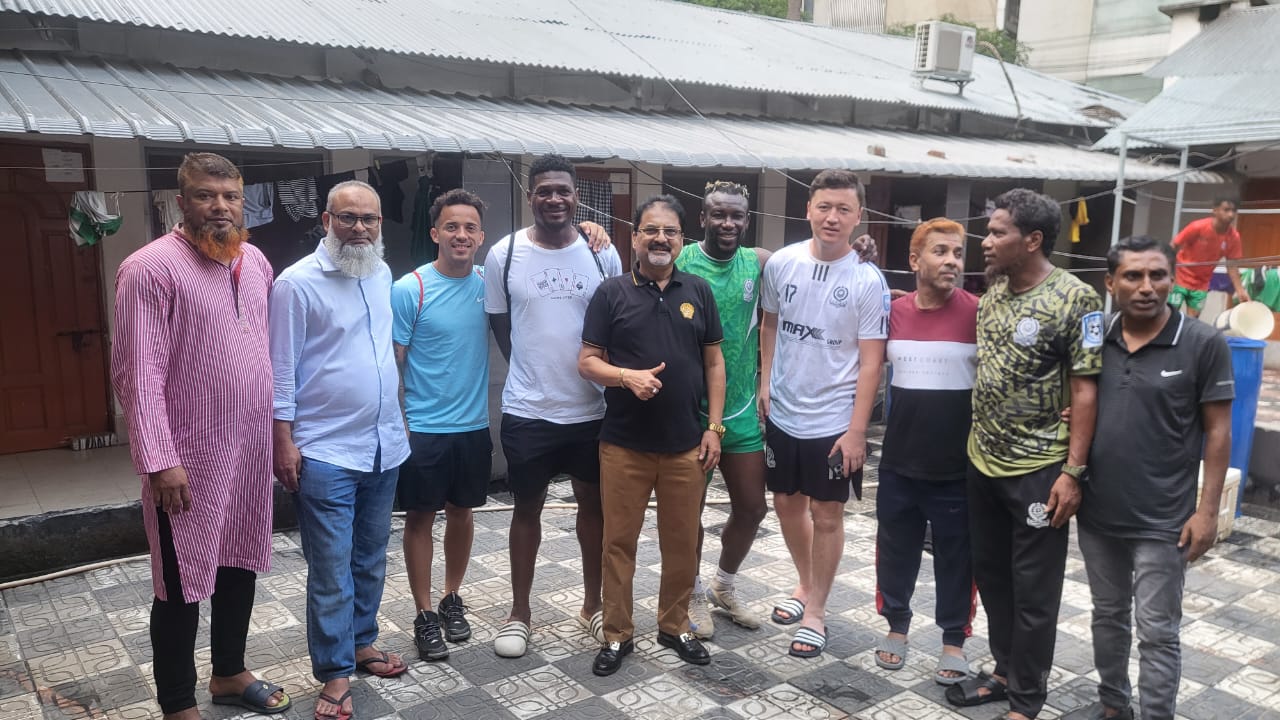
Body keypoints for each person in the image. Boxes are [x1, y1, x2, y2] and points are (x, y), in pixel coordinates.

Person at [111, 152, 289, 720]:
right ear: (180, 201)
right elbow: (138, 373)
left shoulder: (255, 262)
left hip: (248, 452)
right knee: (180, 580)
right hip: (186, 460)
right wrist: (159, 459)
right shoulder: (149, 268)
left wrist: (279, 437)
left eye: (230, 196)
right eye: (205, 195)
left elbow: (265, 353)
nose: (220, 207)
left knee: (239, 561)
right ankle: (177, 703)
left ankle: (229, 673)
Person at [947, 189, 1102, 720]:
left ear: (1032, 239)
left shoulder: (1076, 298)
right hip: (983, 461)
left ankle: (1027, 700)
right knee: (992, 577)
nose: (985, 241)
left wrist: (1073, 471)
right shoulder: (994, 291)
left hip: (1039, 469)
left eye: (998, 232)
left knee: (1034, 591)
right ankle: (1004, 671)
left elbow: (1085, 388)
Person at [1067, 236, 1233, 720]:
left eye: (1157, 275)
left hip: (1165, 521)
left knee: (1157, 630)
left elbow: (1219, 431)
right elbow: (1083, 399)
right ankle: (1113, 705)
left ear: (1172, 279)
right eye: (1133, 276)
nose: (1146, 287)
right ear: (1110, 283)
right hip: (1098, 512)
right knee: (1107, 615)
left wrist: (1207, 512)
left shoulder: (1202, 342)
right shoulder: (1097, 336)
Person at [270, 180, 411, 720]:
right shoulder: (296, 284)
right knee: (331, 568)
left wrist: (398, 418)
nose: (359, 228)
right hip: (325, 450)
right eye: (348, 218)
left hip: (382, 445)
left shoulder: (380, 273)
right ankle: (333, 672)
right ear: (326, 221)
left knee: (370, 557)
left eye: (369, 219)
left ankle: (361, 642)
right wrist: (283, 441)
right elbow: (281, 370)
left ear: (379, 224)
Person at [578, 194, 727, 675]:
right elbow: (587, 362)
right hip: (624, 446)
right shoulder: (612, 293)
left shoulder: (699, 291)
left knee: (682, 543)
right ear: (635, 237)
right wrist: (627, 377)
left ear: (682, 239)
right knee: (618, 544)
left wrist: (714, 427)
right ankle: (617, 634)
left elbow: (714, 362)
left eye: (670, 231)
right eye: (651, 230)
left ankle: (674, 625)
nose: (661, 239)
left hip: (687, 446)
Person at [483, 154, 623, 658]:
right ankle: (519, 613)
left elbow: (616, 323)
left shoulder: (602, 253)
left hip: (592, 410)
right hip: (529, 410)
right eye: (544, 191)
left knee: (594, 508)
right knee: (526, 509)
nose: (554, 199)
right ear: (530, 197)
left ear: (577, 196)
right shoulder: (504, 254)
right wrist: (534, 370)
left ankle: (593, 605)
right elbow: (503, 327)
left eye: (563, 190)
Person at [759, 169, 890, 659]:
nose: (832, 217)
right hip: (784, 410)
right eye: (824, 207)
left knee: (827, 513)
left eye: (843, 209)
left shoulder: (867, 280)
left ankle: (816, 611)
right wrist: (765, 380)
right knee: (786, 503)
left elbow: (872, 362)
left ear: (859, 217)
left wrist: (857, 431)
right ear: (808, 210)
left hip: (834, 420)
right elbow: (770, 324)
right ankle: (805, 582)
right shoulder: (783, 263)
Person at [874, 218, 978, 685]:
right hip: (900, 460)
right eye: (940, 251)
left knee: (958, 555)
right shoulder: (893, 313)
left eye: (957, 252)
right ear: (915, 260)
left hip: (959, 465)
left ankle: (953, 640)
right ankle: (896, 626)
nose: (952, 261)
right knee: (896, 549)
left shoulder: (978, 313)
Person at [391, 189, 490, 662]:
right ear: (435, 233)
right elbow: (393, 362)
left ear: (481, 237)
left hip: (473, 425)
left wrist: (591, 233)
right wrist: (399, 423)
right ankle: (424, 613)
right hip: (424, 428)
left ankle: (452, 597)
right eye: (452, 226)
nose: (461, 235)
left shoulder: (488, 284)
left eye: (470, 227)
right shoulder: (410, 288)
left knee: (462, 513)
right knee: (420, 518)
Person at [674, 180, 770, 638]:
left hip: (741, 408)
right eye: (718, 214)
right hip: (689, 413)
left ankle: (723, 586)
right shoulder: (682, 259)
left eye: (736, 215)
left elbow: (812, 263)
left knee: (752, 508)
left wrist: (859, 253)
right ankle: (691, 591)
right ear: (703, 218)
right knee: (687, 513)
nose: (727, 223)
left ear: (747, 221)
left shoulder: (759, 262)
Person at [1170, 198, 1247, 317]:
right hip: (1180, 278)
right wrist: (1168, 272)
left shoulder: (1234, 237)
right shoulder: (1197, 227)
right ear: (1215, 210)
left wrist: (1240, 290)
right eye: (1226, 210)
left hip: (1202, 284)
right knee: (1170, 315)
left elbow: (1232, 265)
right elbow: (1173, 245)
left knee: (1193, 320)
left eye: (1234, 211)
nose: (1231, 215)